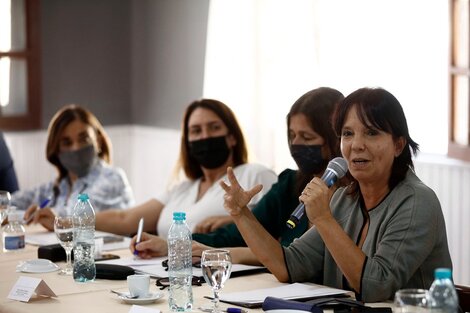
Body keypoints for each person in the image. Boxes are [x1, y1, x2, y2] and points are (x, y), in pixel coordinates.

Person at [220, 87, 452, 302]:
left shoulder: (417, 202)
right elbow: (288, 266)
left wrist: (323, 219)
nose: (357, 145)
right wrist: (241, 214)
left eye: (371, 133)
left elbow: (376, 287)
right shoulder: (345, 198)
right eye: (348, 134)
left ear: (398, 145)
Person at [130, 87, 346, 261]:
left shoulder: (352, 192)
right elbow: (238, 236)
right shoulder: (290, 182)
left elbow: (290, 257)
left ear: (335, 139)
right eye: (292, 136)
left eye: (307, 138)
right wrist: (175, 244)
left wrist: (198, 250)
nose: (296, 144)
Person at [84, 99, 276, 238]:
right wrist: (68, 221)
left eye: (214, 127)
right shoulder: (182, 189)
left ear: (232, 137)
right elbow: (124, 218)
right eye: (196, 131)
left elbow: (278, 225)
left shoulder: (255, 174)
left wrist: (235, 220)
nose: (205, 136)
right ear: (188, 143)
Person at [19, 104, 134, 230]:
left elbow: (80, 214)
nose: (76, 148)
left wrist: (54, 219)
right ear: (56, 152)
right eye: (67, 143)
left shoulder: (113, 178)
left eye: (84, 139)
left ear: (98, 141)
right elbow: (11, 202)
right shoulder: (59, 186)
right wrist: (21, 215)